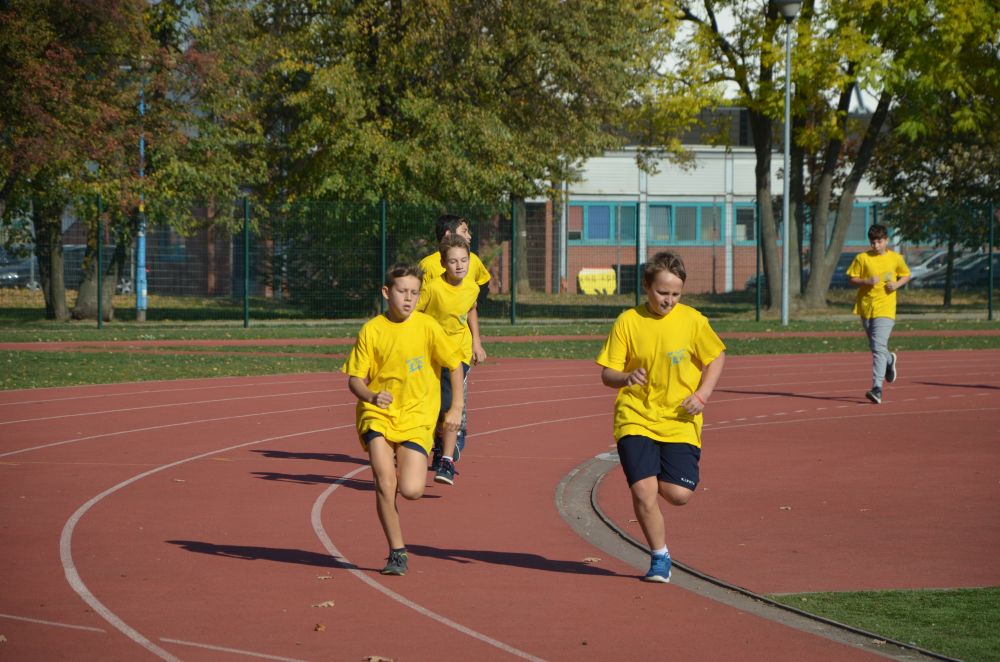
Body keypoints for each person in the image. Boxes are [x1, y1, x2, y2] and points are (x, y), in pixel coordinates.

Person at [596, 251, 726, 583]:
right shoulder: (628, 321)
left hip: (679, 419)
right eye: (662, 293)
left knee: (678, 495)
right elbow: (607, 373)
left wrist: (702, 395)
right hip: (635, 416)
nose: (668, 300)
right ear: (646, 287)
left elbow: (716, 357)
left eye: (675, 294)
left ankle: (660, 546)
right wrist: (625, 377)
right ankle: (659, 557)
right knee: (643, 490)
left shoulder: (693, 321)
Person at [342, 264, 465, 576]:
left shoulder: (427, 327)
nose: (408, 298)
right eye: (401, 292)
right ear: (386, 292)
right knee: (385, 481)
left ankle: (402, 464)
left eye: (414, 293)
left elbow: (454, 365)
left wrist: (456, 409)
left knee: (411, 490)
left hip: (417, 417)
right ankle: (397, 552)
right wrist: (371, 396)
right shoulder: (372, 330)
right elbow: (355, 379)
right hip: (378, 414)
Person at [418, 214, 490, 467]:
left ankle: (454, 438)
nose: (469, 235)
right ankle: (433, 439)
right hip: (430, 347)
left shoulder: (473, 266)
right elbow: (418, 306)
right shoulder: (428, 269)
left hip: (458, 348)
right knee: (433, 399)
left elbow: (470, 305)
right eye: (464, 230)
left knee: (455, 398)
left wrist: (476, 342)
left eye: (464, 261)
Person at [846, 224, 911, 404]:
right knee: (877, 347)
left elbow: (906, 274)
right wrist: (865, 280)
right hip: (866, 307)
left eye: (880, 241)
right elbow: (851, 278)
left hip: (886, 309)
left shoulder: (896, 258)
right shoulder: (862, 258)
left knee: (877, 348)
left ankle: (877, 389)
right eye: (873, 242)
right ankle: (890, 359)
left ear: (886, 241)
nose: (876, 245)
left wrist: (897, 285)